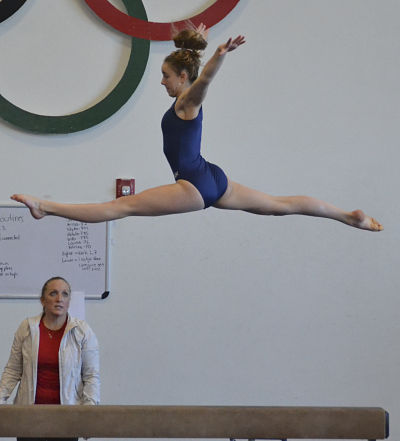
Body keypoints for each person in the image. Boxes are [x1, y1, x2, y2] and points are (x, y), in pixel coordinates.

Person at [11, 24, 382, 231]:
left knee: (117, 208)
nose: (162, 83)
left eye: (165, 77)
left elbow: (204, 83)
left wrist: (218, 59)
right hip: (212, 176)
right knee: (278, 205)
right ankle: (347, 217)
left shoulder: (187, 101)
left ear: (182, 77)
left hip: (192, 183)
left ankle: (45, 206)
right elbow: (198, 79)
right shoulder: (182, 101)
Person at [0, 276, 100, 441]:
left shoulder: (82, 332)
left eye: (65, 294)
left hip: (67, 418)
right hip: (30, 418)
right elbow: (12, 370)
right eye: (53, 293)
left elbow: (91, 376)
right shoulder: (27, 328)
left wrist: (89, 415)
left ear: (69, 301)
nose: (59, 299)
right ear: (42, 300)